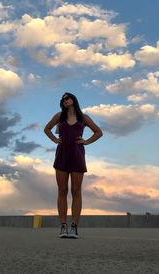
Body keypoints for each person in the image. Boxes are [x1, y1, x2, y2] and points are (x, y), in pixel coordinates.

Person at [44, 92, 103, 239]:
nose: (65, 101)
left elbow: (98, 132)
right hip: (62, 155)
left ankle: (74, 227)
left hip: (77, 156)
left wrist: (86, 141)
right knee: (62, 190)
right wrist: (55, 140)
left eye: (67, 98)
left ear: (73, 100)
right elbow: (47, 129)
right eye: (63, 100)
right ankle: (63, 226)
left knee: (76, 191)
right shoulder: (59, 116)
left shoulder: (83, 118)